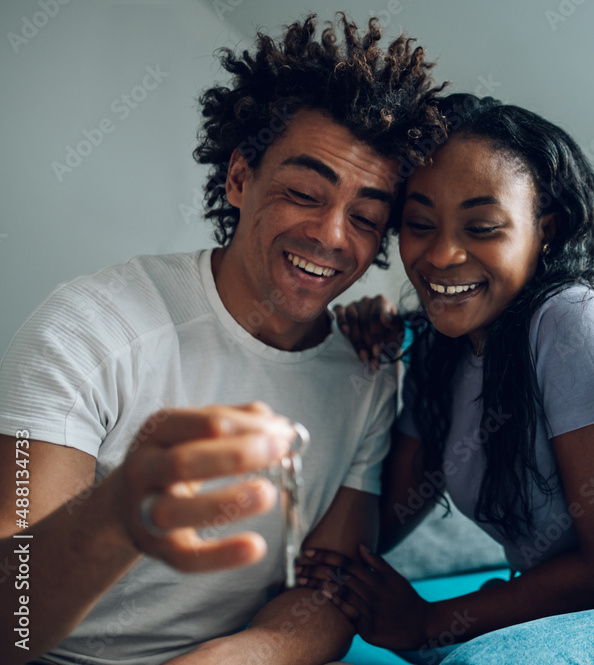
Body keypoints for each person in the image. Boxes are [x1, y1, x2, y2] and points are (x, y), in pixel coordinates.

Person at [0, 14, 446, 665]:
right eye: (303, 192)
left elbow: (329, 589)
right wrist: (118, 515)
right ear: (239, 178)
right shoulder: (91, 326)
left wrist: (239, 656)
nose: (331, 235)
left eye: (367, 216)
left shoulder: (366, 371)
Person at [298, 94, 594, 664]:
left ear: (545, 231)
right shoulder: (441, 353)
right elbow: (378, 523)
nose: (442, 254)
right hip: (574, 621)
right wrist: (372, 364)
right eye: (420, 224)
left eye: (482, 227)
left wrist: (430, 620)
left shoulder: (574, 321)